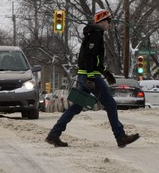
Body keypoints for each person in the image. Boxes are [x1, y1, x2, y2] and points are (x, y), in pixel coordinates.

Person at [45, 9, 140, 148]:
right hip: (91, 77)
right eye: (108, 21)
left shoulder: (91, 33)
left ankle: (54, 134)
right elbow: (89, 57)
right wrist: (90, 77)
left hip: (86, 74)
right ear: (101, 21)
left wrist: (106, 72)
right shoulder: (96, 34)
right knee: (110, 104)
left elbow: (94, 60)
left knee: (76, 107)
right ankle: (120, 137)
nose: (109, 24)